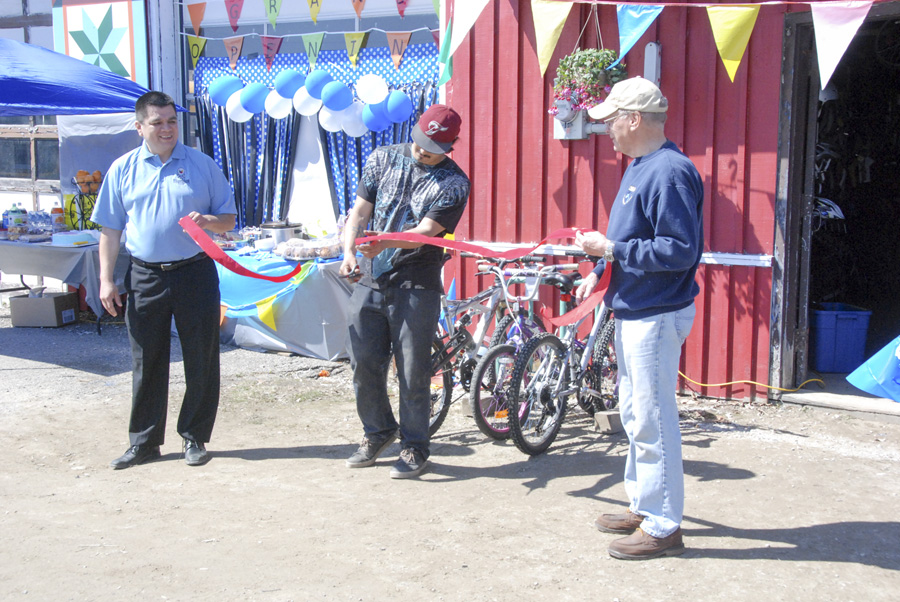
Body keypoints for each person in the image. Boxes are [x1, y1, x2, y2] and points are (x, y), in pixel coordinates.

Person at [574, 77, 704, 560]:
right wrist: (602, 271)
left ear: (634, 119)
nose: (606, 127)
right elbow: (636, 236)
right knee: (633, 412)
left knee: (652, 417)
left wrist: (610, 249)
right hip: (638, 309)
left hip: (656, 312)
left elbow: (678, 249)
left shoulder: (668, 171)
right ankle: (644, 504)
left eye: (611, 119)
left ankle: (664, 523)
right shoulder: (641, 167)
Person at [92, 91, 237, 470]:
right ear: (139, 127)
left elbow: (228, 218)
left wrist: (210, 222)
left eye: (172, 121)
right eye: (157, 123)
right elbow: (110, 229)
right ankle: (143, 442)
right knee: (147, 359)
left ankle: (194, 436)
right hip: (144, 276)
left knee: (201, 358)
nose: (167, 128)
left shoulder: (202, 164)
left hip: (195, 273)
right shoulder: (122, 169)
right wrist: (106, 280)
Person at [340, 104, 471, 479]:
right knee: (363, 362)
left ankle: (415, 446)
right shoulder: (383, 157)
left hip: (417, 282)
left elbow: (427, 231)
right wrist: (349, 251)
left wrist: (384, 244)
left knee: (413, 371)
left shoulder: (454, 182)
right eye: (418, 142)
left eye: (431, 147)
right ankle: (378, 431)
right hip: (371, 277)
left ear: (450, 146)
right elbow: (360, 210)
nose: (421, 151)